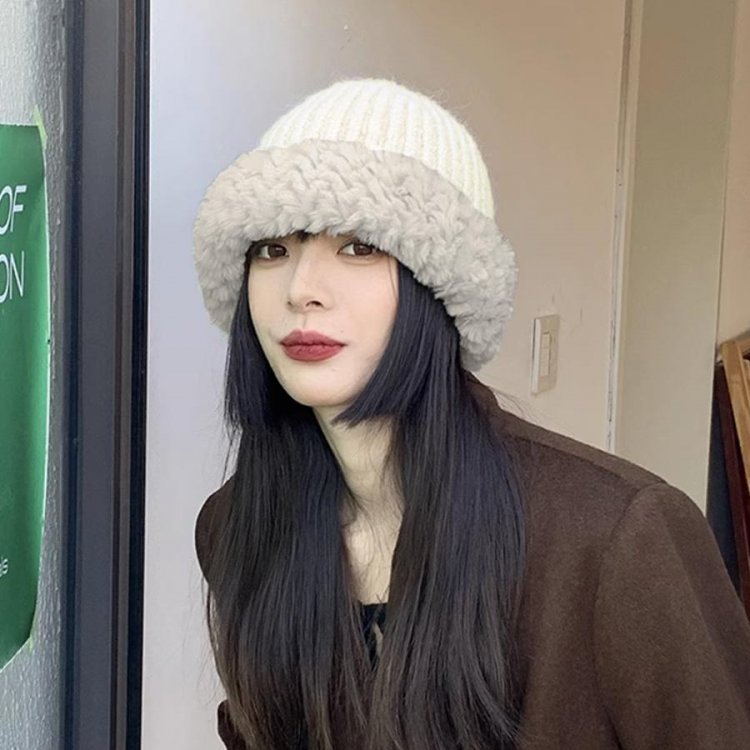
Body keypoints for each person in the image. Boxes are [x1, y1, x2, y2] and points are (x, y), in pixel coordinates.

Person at [192, 78, 750, 750]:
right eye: (272, 249)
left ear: (442, 287)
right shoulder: (238, 528)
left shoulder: (616, 543)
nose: (300, 289)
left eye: (360, 245)